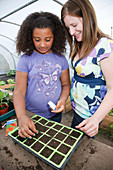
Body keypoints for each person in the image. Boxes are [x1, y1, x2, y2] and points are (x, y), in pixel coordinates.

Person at [13, 12, 70, 138]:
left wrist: (62, 100)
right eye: (37, 39)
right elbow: (19, 92)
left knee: (51, 140)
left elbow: (66, 85)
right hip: (31, 114)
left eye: (48, 39)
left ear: (55, 37)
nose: (42, 44)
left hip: (55, 115)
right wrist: (22, 116)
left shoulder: (61, 59)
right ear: (30, 37)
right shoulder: (25, 60)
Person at [61, 0, 113, 137]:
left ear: (88, 17)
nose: (71, 32)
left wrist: (95, 119)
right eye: (68, 28)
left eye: (74, 25)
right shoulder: (80, 43)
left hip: (90, 114)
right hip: (77, 108)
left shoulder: (105, 46)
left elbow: (112, 89)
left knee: (81, 148)